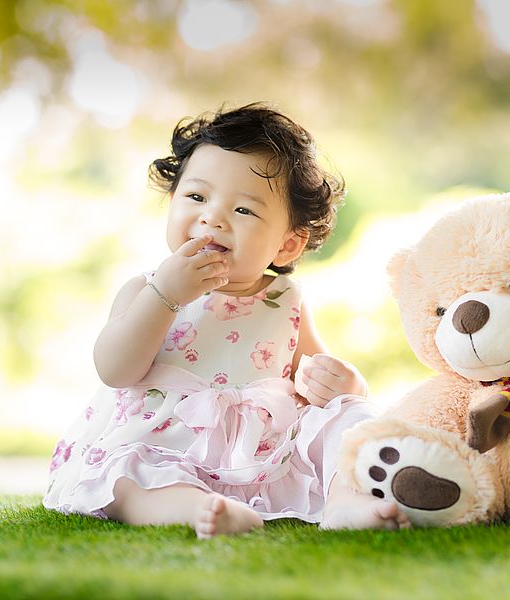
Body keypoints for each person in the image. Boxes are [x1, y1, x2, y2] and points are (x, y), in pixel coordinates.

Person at [44, 103, 410, 536]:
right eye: (196, 197)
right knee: (123, 477)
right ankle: (198, 508)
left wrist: (344, 386)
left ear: (288, 246)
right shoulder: (147, 290)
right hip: (165, 445)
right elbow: (115, 370)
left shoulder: (285, 299)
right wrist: (167, 295)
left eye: (244, 211)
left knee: (349, 418)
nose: (212, 217)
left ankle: (346, 502)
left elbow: (314, 381)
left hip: (261, 451)